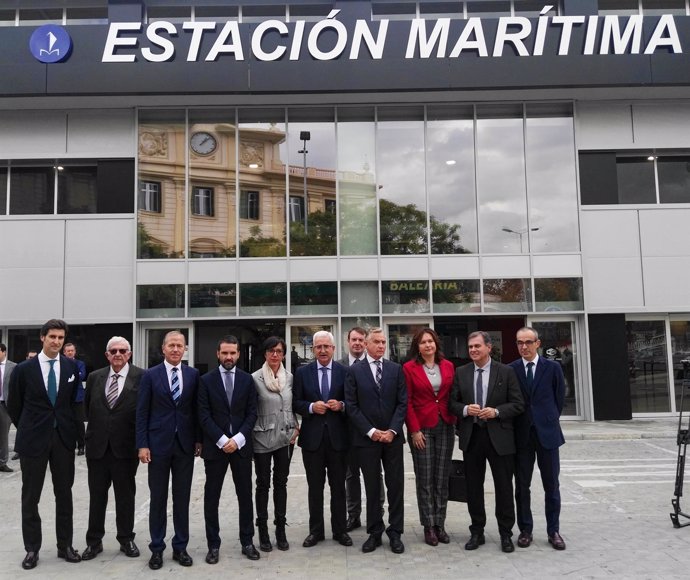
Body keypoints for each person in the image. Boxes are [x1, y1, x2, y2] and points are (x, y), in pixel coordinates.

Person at [8, 319, 83, 569]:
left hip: (62, 440)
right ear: (42, 338)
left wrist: (72, 432)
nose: (57, 342)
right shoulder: (24, 370)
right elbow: (14, 405)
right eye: (52, 336)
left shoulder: (71, 367)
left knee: (65, 495)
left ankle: (66, 546)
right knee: (31, 497)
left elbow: (73, 403)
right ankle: (32, 549)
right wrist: (28, 428)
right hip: (33, 440)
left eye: (61, 338)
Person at [449, 331, 524, 553]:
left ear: (489, 347)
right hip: (472, 437)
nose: (473, 350)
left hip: (499, 438)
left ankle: (505, 533)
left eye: (477, 346)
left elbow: (518, 404)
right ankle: (477, 532)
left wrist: (497, 412)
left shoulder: (506, 371)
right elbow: (451, 402)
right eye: (470, 347)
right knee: (473, 488)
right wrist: (464, 409)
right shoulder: (461, 372)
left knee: (503, 487)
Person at [136, 331, 202, 570]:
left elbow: (196, 411)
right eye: (171, 345)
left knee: (182, 498)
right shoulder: (150, 375)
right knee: (158, 498)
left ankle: (180, 547)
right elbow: (142, 412)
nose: (175, 349)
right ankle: (156, 548)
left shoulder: (193, 375)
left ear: (185, 349)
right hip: (157, 445)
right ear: (163, 348)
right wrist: (142, 444)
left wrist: (198, 440)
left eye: (180, 346)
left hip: (184, 445)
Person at [198, 335, 260, 563]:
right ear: (217, 354)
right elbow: (203, 415)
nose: (228, 357)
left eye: (232, 353)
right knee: (211, 497)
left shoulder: (247, 380)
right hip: (216, 449)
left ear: (238, 354)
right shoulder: (205, 381)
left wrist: (239, 439)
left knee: (245, 496)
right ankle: (213, 545)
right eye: (224, 353)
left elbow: (252, 412)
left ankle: (247, 541)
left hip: (242, 448)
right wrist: (223, 440)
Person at [344, 327, 407, 554]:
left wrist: (392, 430)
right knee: (371, 487)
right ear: (368, 344)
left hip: (392, 439)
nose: (381, 346)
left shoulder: (396, 369)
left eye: (383, 342)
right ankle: (374, 532)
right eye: (377, 342)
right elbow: (351, 406)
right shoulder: (354, 371)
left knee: (395, 486)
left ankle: (396, 532)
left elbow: (402, 403)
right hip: (367, 440)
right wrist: (371, 431)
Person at [81, 337, 143, 560]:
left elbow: (144, 412)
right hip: (97, 449)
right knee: (97, 497)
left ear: (130, 353)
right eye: (113, 350)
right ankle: (94, 542)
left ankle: (126, 539)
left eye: (122, 350)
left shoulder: (141, 377)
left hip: (125, 450)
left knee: (125, 497)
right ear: (107, 355)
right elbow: (88, 408)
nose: (118, 354)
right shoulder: (95, 377)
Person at [509, 327, 567, 551]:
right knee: (522, 486)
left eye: (528, 342)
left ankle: (554, 531)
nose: (524, 346)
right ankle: (525, 530)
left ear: (537, 343)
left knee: (551, 485)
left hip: (548, 435)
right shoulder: (511, 369)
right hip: (522, 436)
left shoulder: (552, 368)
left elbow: (559, 398)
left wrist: (547, 419)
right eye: (519, 342)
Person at [293, 330, 352, 548]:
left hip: (338, 440)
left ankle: (340, 531)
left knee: (338, 487)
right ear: (313, 349)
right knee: (314, 488)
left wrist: (342, 405)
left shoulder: (344, 372)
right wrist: (310, 407)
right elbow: (296, 402)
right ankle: (315, 531)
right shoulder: (302, 372)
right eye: (319, 347)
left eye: (327, 346)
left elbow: (352, 401)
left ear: (334, 349)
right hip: (312, 440)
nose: (323, 350)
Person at [403, 328, 456, 546]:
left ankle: (440, 524)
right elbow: (406, 401)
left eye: (431, 341)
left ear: (436, 344)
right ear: (417, 346)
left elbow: (454, 394)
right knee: (425, 479)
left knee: (442, 479)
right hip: (421, 429)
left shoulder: (448, 366)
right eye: (423, 342)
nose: (428, 345)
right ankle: (428, 525)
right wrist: (414, 430)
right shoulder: (408, 368)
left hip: (445, 425)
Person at [251, 336, 299, 553]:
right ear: (265, 354)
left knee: (281, 483)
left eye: (279, 351)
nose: (275, 355)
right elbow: (250, 410)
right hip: (262, 438)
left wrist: (297, 426)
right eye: (271, 351)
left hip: (285, 439)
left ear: (284, 354)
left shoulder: (289, 378)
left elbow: (292, 405)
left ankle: (280, 528)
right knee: (263, 484)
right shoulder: (255, 379)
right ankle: (262, 529)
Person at [339, 326, 384, 532]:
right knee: (351, 474)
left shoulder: (375, 367)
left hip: (371, 431)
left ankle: (378, 514)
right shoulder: (339, 366)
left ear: (365, 343)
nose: (357, 343)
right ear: (348, 342)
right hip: (347, 431)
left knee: (375, 474)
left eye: (360, 340)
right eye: (353, 339)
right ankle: (353, 515)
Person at [63, 343, 87, 456]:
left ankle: (81, 445)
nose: (70, 352)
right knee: (67, 422)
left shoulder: (80, 363)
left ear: (75, 352)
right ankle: (69, 445)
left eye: (72, 350)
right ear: (64, 352)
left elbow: (81, 376)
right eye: (68, 351)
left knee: (79, 422)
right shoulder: (60, 364)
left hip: (77, 398)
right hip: (65, 398)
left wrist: (70, 375)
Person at [0, 343, 16, 473]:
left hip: (4, 406)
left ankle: (2, 462)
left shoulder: (13, 367)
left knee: (3, 435)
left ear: (4, 352)